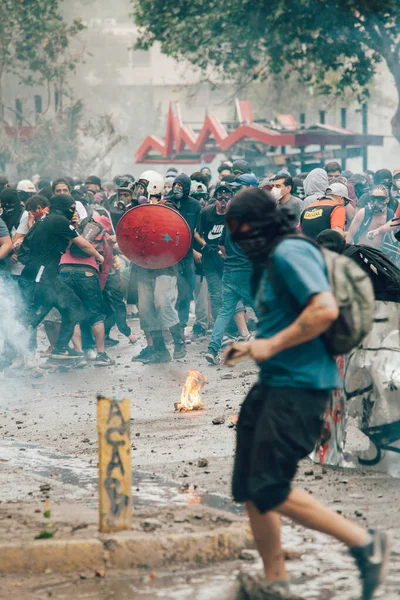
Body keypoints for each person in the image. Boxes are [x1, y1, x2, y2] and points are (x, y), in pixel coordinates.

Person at [223, 187, 390, 600]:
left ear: (263, 223)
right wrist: (253, 346)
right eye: (232, 229)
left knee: (269, 486)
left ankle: (365, 544)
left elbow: (324, 309)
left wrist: (268, 345)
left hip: (302, 388)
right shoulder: (265, 263)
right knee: (248, 485)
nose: (238, 235)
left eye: (243, 226)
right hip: (273, 384)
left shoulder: (289, 253)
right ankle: (274, 580)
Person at [18, 194, 104, 361]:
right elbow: (83, 243)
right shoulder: (58, 220)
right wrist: (98, 257)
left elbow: (26, 248)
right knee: (33, 318)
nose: (73, 212)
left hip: (45, 277)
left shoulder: (45, 219)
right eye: (71, 208)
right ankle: (13, 355)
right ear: (65, 207)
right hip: (41, 278)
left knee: (71, 308)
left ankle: (60, 348)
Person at [348, 185, 393, 249]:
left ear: (387, 199)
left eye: (380, 198)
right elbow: (349, 236)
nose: (376, 202)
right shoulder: (363, 213)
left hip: (381, 255)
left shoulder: (391, 216)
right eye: (373, 198)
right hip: (363, 252)